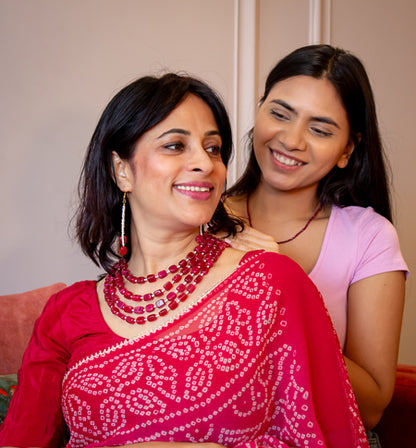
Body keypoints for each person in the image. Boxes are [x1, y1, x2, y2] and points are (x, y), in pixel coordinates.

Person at [0, 73, 369, 448]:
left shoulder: (271, 282)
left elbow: (334, 436)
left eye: (213, 148)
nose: (205, 164)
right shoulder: (68, 312)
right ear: (122, 170)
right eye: (176, 145)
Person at [225, 44, 408, 438]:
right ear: (258, 110)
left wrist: (285, 288)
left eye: (320, 130)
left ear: (347, 149)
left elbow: (373, 406)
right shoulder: (201, 218)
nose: (291, 140)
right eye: (279, 113)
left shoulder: (368, 236)